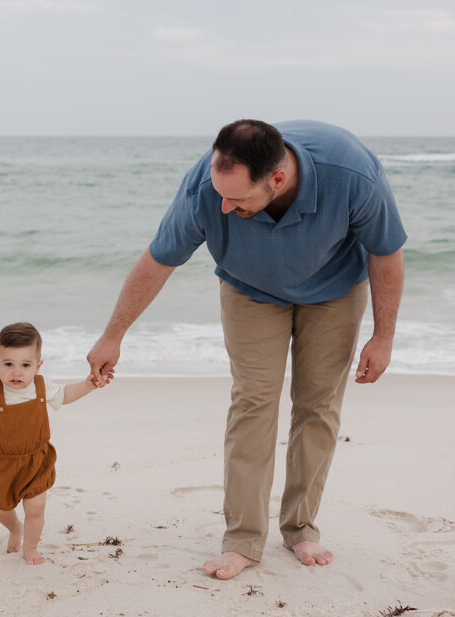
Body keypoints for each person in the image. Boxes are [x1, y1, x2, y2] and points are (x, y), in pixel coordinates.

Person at [87, 119, 406, 580]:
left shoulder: (352, 173)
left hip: (335, 289)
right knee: (253, 402)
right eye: (220, 193)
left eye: (237, 199)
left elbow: (386, 252)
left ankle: (301, 528)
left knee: (318, 404)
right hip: (250, 289)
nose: (223, 205)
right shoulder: (206, 186)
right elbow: (160, 259)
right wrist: (113, 334)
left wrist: (384, 336)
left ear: (276, 179)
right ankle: (242, 539)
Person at [0, 322, 106, 565]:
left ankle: (31, 546)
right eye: (8, 365)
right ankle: (15, 528)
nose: (16, 372)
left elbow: (66, 395)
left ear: (38, 365)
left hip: (36, 458)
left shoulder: (41, 385)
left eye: (25, 365)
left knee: (36, 506)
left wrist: (89, 385)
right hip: (2, 461)